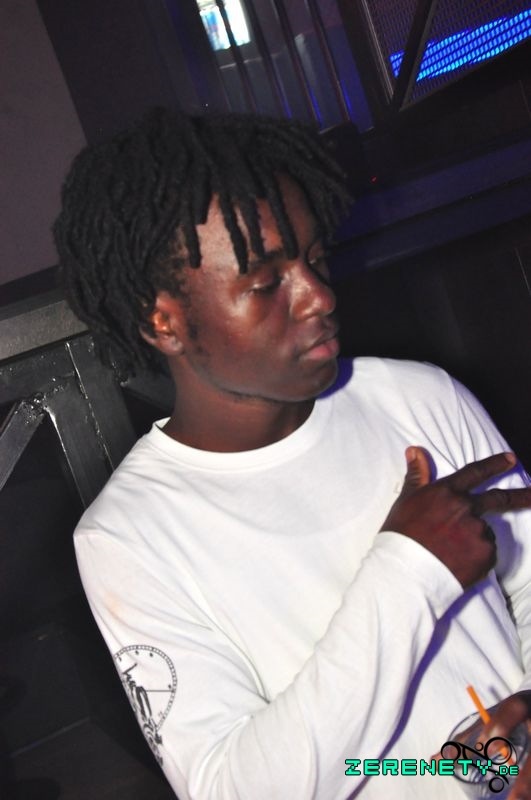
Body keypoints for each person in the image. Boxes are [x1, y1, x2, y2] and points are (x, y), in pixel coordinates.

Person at [54, 108, 531, 799]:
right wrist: (410, 569)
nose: (319, 296)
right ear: (164, 321)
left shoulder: (421, 397)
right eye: (266, 283)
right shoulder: (128, 534)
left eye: (315, 259)